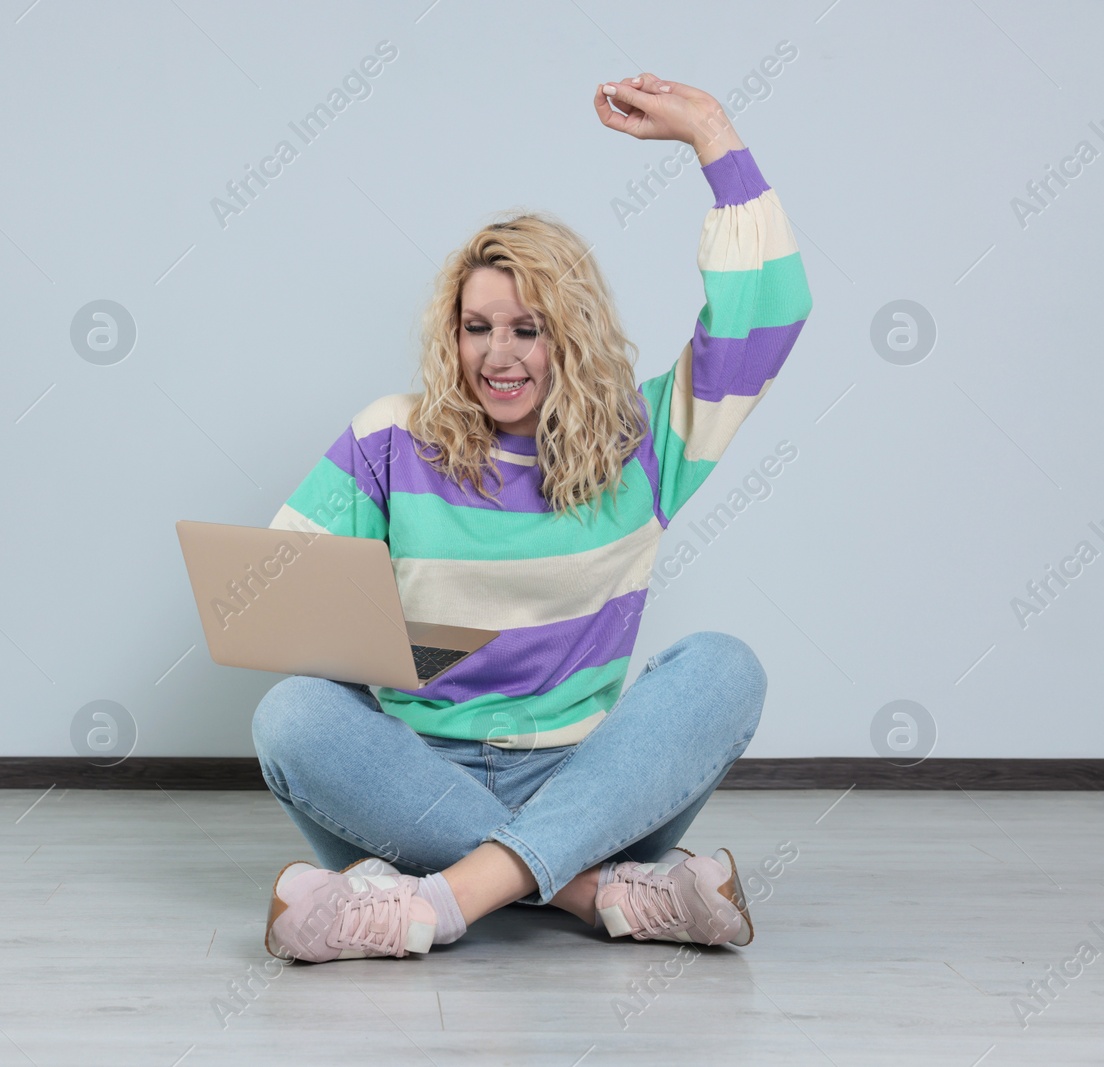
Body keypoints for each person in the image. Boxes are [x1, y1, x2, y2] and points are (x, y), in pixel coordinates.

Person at [253, 73, 814, 963]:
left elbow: (771, 315)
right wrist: (435, 649)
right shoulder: (388, 437)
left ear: (573, 333)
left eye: (527, 328)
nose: (498, 356)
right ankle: (595, 894)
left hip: (588, 786)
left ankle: (438, 902)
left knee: (724, 668)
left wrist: (711, 132)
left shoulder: (646, 441)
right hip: (411, 787)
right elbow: (284, 608)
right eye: (477, 328)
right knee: (290, 714)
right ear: (453, 335)